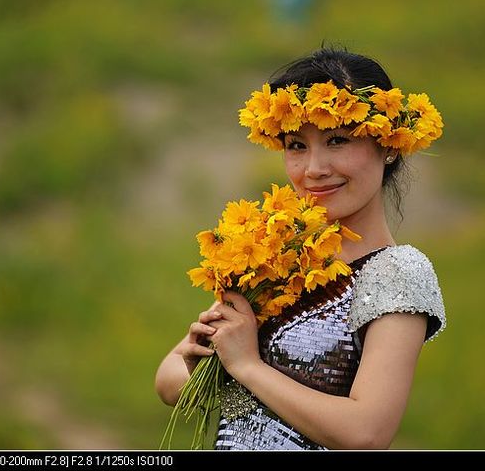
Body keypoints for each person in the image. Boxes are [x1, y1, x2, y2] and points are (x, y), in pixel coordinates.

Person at [154, 46, 447, 450]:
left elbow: (367, 432)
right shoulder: (277, 252)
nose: (314, 169)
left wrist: (246, 367)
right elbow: (168, 381)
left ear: (390, 143)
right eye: (296, 145)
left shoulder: (396, 272)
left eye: (338, 140)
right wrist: (197, 357)